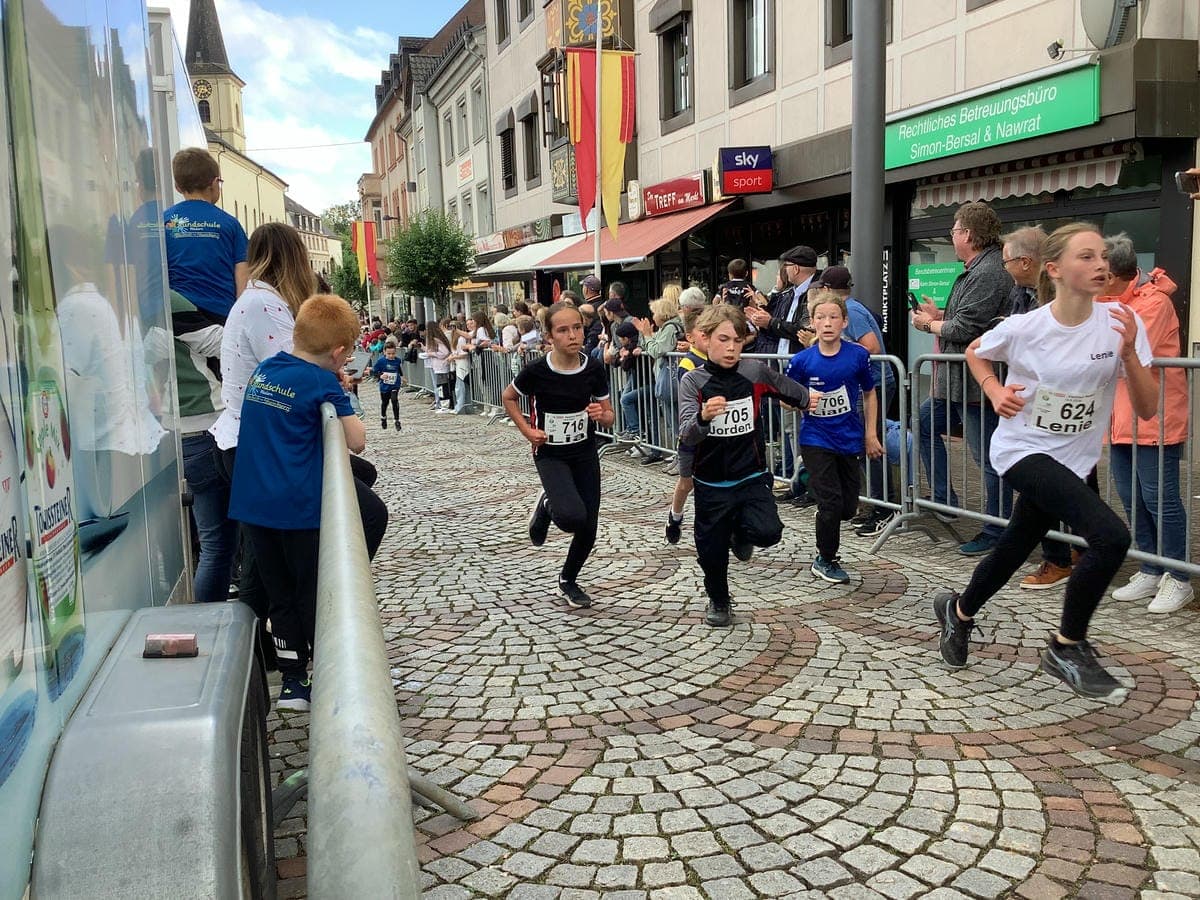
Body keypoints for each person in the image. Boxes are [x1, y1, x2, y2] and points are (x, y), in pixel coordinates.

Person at [933, 223, 1156, 702]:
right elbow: (975, 351)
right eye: (1087, 257)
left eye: (1102, 257)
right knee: (1111, 536)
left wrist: (1132, 356)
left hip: (1074, 460)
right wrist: (994, 390)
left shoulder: (1120, 321)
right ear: (1054, 270)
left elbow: (1148, 408)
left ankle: (959, 611)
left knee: (1017, 544)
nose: (1101, 265)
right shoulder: (1026, 326)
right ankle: (1066, 645)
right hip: (1022, 451)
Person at [229, 294, 366, 711]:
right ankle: (328, 671)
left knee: (278, 594)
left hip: (254, 504)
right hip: (297, 508)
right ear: (338, 353)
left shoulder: (265, 370)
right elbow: (357, 440)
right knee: (311, 590)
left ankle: (292, 682)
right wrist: (341, 392)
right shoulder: (320, 381)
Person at [678, 305, 817, 628]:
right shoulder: (692, 381)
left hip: (751, 474)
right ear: (705, 339)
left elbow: (788, 388)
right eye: (723, 339)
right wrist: (703, 417)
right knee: (711, 551)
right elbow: (685, 432)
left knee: (769, 533)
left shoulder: (753, 372)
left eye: (737, 341)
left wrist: (806, 398)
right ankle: (719, 599)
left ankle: (741, 533)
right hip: (711, 481)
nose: (731, 348)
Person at [911, 201, 1014, 556]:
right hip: (953, 383)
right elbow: (964, 318)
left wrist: (929, 324)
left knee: (987, 457)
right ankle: (944, 498)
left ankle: (997, 527)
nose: (952, 237)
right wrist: (939, 314)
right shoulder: (976, 269)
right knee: (922, 424)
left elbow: (967, 328)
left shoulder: (988, 271)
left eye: (954, 231)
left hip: (975, 385)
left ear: (968, 234)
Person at [502, 302, 615, 609]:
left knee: (588, 526)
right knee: (570, 517)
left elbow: (609, 415)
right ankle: (548, 504)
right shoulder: (537, 370)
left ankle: (568, 580)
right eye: (563, 330)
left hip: (584, 452)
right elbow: (508, 397)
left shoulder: (592, 367)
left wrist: (601, 416)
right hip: (550, 453)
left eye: (577, 327)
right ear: (550, 336)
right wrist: (527, 431)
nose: (572, 335)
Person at [1102, 234, 1192, 613]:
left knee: (1161, 500)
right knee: (1132, 498)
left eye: (1099, 271)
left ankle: (1179, 576)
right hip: (1120, 418)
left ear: (1116, 274)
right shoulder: (1108, 300)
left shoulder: (1154, 303)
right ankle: (1151, 568)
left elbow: (1122, 352)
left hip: (1154, 417)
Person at [785, 288, 883, 584]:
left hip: (849, 438)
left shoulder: (858, 356)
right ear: (812, 323)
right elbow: (783, 396)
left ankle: (824, 516)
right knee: (830, 504)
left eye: (833, 317)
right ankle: (825, 558)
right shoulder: (802, 360)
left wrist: (871, 434)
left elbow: (869, 393)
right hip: (815, 439)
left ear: (844, 322)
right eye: (820, 317)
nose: (827, 323)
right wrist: (803, 398)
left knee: (847, 507)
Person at [999, 226, 1078, 591]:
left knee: (1048, 485)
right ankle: (1072, 548)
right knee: (1064, 481)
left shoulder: (1056, 292)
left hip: (1058, 403)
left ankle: (1059, 557)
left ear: (1025, 261)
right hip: (1038, 405)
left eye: (1007, 261)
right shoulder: (1021, 293)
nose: (1005, 267)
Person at [814, 265, 897, 537]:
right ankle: (875, 504)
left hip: (873, 383)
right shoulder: (849, 308)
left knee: (871, 443)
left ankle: (885, 507)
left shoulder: (852, 311)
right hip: (864, 384)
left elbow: (871, 346)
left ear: (827, 290)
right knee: (864, 444)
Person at [163, 148, 248, 323]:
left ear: (178, 187)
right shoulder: (230, 224)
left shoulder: (164, 221)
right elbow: (243, 279)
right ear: (215, 182)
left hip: (177, 315)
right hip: (221, 315)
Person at [666, 304, 707, 544]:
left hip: (716, 433)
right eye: (705, 331)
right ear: (690, 337)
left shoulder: (723, 358)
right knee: (686, 482)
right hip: (691, 433)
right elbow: (689, 395)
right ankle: (675, 515)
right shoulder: (688, 364)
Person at [372, 338, 403, 429]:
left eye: (393, 353)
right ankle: (383, 417)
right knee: (385, 403)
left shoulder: (397, 360)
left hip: (394, 384)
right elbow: (374, 371)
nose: (391, 356)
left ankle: (397, 420)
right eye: (389, 354)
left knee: (394, 400)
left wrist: (402, 376)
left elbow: (398, 369)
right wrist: (380, 375)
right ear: (384, 352)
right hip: (385, 386)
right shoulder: (381, 361)